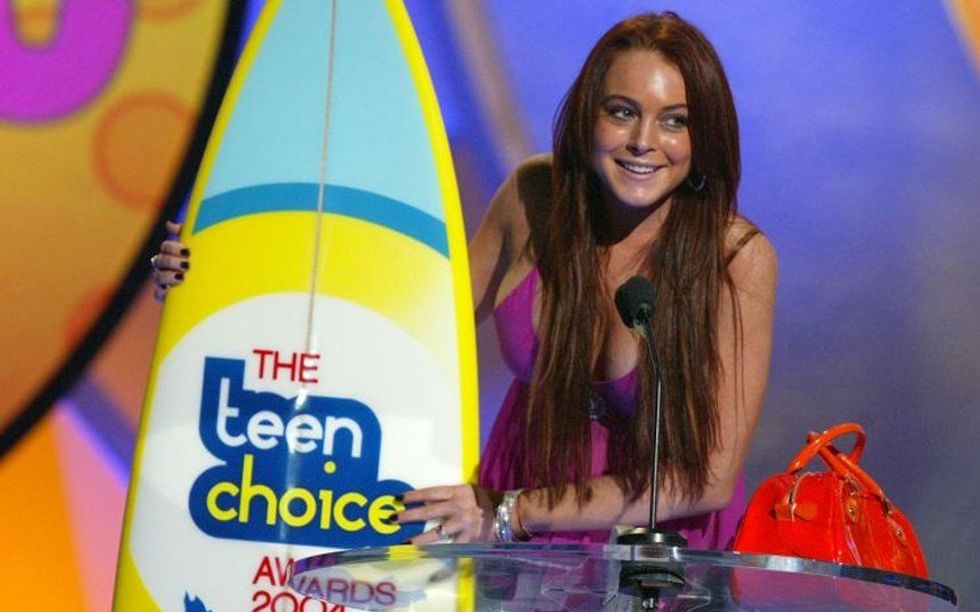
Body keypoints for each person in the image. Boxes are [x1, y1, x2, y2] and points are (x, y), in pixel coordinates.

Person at [153, 12, 776, 550]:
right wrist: (222, 275)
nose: (643, 141)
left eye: (674, 121)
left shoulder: (736, 259)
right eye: (622, 112)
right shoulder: (535, 198)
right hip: (510, 538)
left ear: (704, 136)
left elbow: (707, 478)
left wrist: (512, 513)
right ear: (588, 114)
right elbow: (400, 325)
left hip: (646, 555)